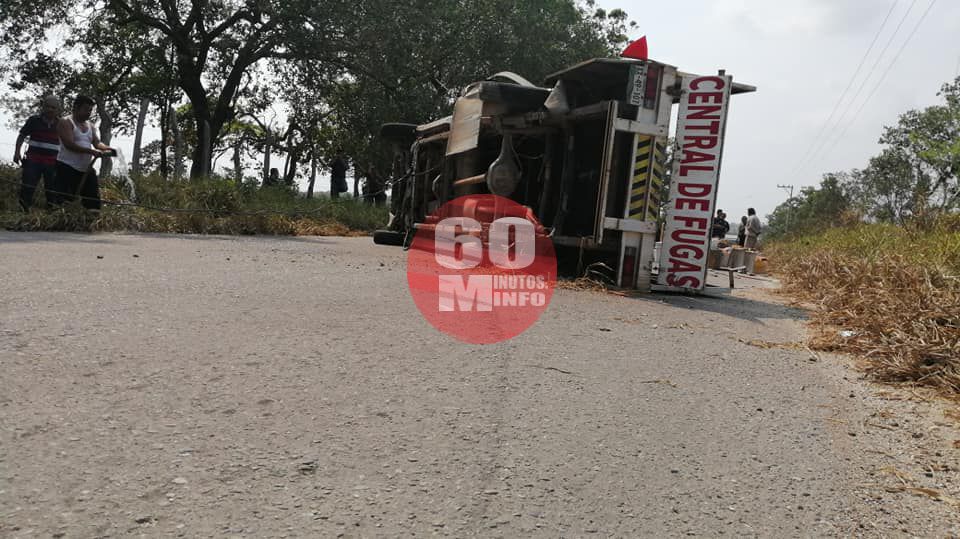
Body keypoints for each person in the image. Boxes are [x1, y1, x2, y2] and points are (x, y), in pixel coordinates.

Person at [54, 95, 114, 209]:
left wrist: (108, 149)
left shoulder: (90, 126)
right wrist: (91, 152)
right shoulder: (66, 122)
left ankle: (92, 220)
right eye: (86, 109)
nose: (88, 113)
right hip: (66, 168)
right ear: (76, 107)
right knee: (64, 201)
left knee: (93, 200)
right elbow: (69, 145)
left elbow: (97, 143)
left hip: (85, 168)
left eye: (90, 110)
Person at [13, 96, 61, 210]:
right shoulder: (33, 120)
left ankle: (51, 214)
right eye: (48, 106)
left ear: (58, 109)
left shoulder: (61, 124)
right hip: (33, 161)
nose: (50, 109)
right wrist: (17, 153)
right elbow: (22, 136)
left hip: (53, 162)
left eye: (53, 107)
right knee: (27, 187)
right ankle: (23, 211)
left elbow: (67, 142)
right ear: (43, 107)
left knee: (52, 190)